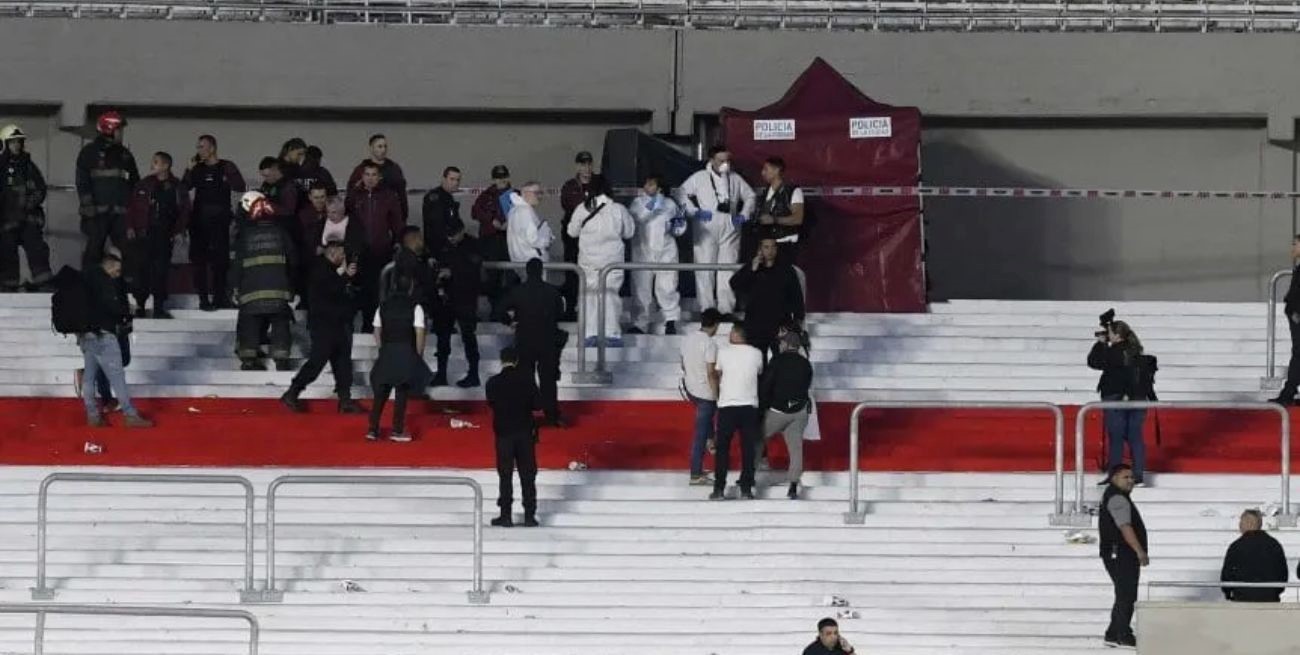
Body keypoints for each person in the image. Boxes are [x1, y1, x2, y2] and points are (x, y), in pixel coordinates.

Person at [281, 239, 362, 415]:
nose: (343, 258)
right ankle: (293, 391)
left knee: (343, 363)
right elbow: (331, 291)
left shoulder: (330, 272)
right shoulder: (320, 270)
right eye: (341, 254)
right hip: (325, 325)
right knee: (317, 361)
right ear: (332, 253)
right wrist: (346, 277)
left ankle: (345, 399)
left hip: (338, 324)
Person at [675, 144, 754, 319]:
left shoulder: (735, 178)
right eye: (721, 160)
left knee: (728, 269)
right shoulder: (700, 177)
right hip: (706, 225)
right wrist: (694, 211)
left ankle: (726, 309)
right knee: (704, 268)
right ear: (711, 160)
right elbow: (680, 193)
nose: (725, 164)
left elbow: (750, 196)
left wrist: (743, 214)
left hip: (730, 225)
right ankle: (707, 309)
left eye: (727, 160)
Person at [79, 253, 153, 429]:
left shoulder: (85, 280)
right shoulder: (104, 282)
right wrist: (128, 311)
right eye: (117, 270)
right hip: (104, 335)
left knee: (89, 377)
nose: (118, 274)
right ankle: (130, 414)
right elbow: (113, 307)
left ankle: (93, 416)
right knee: (117, 377)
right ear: (109, 266)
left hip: (86, 335)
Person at [230, 191, 296, 371]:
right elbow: (293, 261)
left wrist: (234, 287)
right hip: (279, 290)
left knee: (249, 323)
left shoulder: (245, 236)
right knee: (281, 323)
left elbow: (237, 265)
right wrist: (292, 286)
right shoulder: (282, 233)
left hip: (251, 291)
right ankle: (281, 359)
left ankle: (248, 359)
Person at [568, 178, 635, 348]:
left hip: (588, 262)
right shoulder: (618, 210)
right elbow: (629, 232)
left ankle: (589, 333)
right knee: (610, 296)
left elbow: (572, 232)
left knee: (589, 297)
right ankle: (611, 333)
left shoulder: (582, 209)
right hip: (612, 263)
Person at [182, 134, 245, 311]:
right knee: (199, 261)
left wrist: (228, 177)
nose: (199, 150)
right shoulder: (197, 168)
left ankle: (219, 297)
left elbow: (240, 186)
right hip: (199, 222)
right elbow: (183, 188)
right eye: (198, 147)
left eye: (202, 147)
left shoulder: (226, 166)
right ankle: (203, 299)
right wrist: (189, 169)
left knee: (220, 261)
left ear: (212, 148)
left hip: (220, 221)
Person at [367, 273, 432, 443]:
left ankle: (372, 429)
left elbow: (377, 330)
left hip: (388, 349)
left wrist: (382, 349)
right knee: (402, 390)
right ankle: (397, 429)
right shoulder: (415, 307)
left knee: (381, 391)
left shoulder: (383, 306)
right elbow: (419, 332)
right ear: (410, 287)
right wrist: (418, 355)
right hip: (406, 350)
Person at [501, 258, 565, 427]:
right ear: (541, 271)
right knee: (548, 380)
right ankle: (551, 416)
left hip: (525, 340)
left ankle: (525, 415)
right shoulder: (552, 292)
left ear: (527, 272)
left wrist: (510, 322)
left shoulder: (518, 291)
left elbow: (500, 309)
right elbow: (560, 312)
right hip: (547, 341)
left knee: (525, 378)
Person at [1088, 319, 1153, 486]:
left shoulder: (1115, 351)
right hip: (1137, 398)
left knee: (1116, 438)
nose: (1107, 336)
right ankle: (1137, 476)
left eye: (1109, 333)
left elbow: (1094, 362)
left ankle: (1115, 476)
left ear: (1116, 335)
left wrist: (1100, 344)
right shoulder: (1135, 350)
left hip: (1116, 398)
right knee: (1135, 437)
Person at [124, 151, 189, 319]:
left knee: (160, 272)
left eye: (156, 162)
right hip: (143, 235)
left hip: (163, 235)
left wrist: (179, 231)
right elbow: (131, 207)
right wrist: (130, 226)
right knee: (141, 271)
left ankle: (159, 306)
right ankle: (140, 305)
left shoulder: (177, 186)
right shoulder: (143, 184)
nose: (152, 165)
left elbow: (184, 211)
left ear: (166, 165)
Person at [486, 346, 541, 528]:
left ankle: (506, 515)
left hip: (504, 433)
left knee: (505, 475)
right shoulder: (527, 381)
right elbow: (537, 405)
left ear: (502, 361)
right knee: (527, 475)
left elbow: (492, 403)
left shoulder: (493, 383)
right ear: (517, 360)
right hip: (525, 432)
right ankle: (529, 515)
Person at [76, 111, 140, 268]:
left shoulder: (125, 154)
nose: (122, 133)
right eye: (119, 130)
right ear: (110, 129)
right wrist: (88, 205)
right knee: (94, 250)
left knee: (128, 251)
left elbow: (135, 183)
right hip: (97, 213)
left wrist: (134, 209)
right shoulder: (89, 153)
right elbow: (82, 181)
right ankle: (89, 284)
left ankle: (126, 288)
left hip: (121, 215)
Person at [347, 162, 405, 331]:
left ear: (379, 177)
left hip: (382, 250)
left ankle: (378, 325)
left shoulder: (389, 196)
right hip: (360, 251)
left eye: (374, 175)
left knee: (379, 290)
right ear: (362, 177)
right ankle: (365, 325)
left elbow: (397, 223)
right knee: (362, 291)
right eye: (367, 175)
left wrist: (397, 243)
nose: (370, 178)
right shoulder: (354, 196)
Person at [710, 324, 763, 501]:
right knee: (748, 449)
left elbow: (716, 373)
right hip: (749, 405)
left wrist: (717, 395)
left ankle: (719, 488)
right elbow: (759, 371)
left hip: (727, 405)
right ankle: (746, 489)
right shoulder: (756, 353)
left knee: (722, 449)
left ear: (735, 334)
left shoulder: (724, 352)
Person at [730, 237, 805, 362]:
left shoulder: (786, 270)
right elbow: (735, 284)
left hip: (780, 324)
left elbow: (796, 295)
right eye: (766, 247)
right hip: (756, 324)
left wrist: (798, 319)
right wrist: (752, 270)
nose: (770, 250)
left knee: (781, 361)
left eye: (773, 247)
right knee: (758, 361)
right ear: (760, 249)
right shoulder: (753, 267)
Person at [628, 173, 685, 335]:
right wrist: (652, 206)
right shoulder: (637, 203)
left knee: (667, 287)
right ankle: (640, 324)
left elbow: (678, 230)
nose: (648, 187)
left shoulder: (670, 204)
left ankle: (671, 321)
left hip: (666, 252)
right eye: (646, 184)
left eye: (652, 184)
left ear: (659, 187)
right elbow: (637, 219)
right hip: (642, 252)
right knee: (641, 290)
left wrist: (679, 223)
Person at [759, 331, 814, 500]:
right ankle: (793, 485)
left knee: (755, 438)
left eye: (782, 342)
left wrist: (762, 407)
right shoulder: (806, 364)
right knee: (796, 449)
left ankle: (750, 477)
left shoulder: (777, 361)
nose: (780, 345)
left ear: (787, 344)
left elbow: (766, 386)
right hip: (799, 411)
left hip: (777, 411)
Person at [1099, 463, 1147, 650]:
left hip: (1116, 552)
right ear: (1113, 478)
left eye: (1132, 477)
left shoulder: (1116, 496)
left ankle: (1113, 633)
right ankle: (1122, 634)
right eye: (1125, 477)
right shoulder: (1118, 499)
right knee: (1126, 593)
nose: (1130, 481)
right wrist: (1139, 550)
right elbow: (1125, 527)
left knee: (1124, 593)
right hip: (1121, 553)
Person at [0, 124, 52, 291]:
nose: (17, 145)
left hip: (29, 220)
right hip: (7, 222)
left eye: (19, 142)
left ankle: (45, 286)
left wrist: (30, 202)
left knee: (38, 251)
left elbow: (40, 188)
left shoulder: (29, 166)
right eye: (12, 142)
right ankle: (8, 289)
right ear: (4, 144)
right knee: (8, 256)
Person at [434, 219, 483, 388]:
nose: (451, 239)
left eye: (453, 235)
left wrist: (453, 271)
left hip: (466, 298)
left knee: (468, 337)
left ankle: (474, 373)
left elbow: (474, 270)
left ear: (461, 231)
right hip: (447, 298)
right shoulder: (445, 245)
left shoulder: (473, 245)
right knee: (443, 337)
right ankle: (441, 374)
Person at [681, 308, 722, 486]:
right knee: (700, 432)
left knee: (704, 426)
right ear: (716, 325)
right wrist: (717, 394)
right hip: (705, 392)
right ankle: (695, 474)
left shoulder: (687, 339)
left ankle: (710, 441)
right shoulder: (710, 344)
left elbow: (682, 363)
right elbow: (711, 373)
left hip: (690, 388)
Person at [559, 152, 600, 320]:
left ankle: (592, 311)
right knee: (572, 272)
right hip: (573, 237)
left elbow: (606, 204)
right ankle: (570, 309)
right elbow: (570, 206)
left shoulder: (599, 184)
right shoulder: (570, 186)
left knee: (593, 273)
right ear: (577, 166)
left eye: (589, 164)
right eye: (583, 165)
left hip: (595, 236)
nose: (587, 168)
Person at [1220, 509, 1288, 602]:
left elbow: (1226, 576)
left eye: (1241, 521)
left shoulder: (1236, 546)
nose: (1239, 525)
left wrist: (1228, 594)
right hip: (1270, 600)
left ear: (1249, 522)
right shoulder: (1274, 545)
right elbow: (1283, 575)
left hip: (1242, 600)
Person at [749, 156, 805, 264]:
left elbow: (798, 218)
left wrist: (775, 220)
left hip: (785, 244)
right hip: (767, 244)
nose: (762, 173)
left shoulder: (793, 191)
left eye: (766, 169)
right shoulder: (765, 193)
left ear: (776, 170)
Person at [473, 165, 513, 308]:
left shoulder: (516, 195)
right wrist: (491, 220)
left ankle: (509, 309)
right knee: (493, 277)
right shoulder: (485, 196)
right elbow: (475, 212)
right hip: (491, 241)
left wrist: (511, 222)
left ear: (508, 177)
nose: (501, 180)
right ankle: (495, 309)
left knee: (511, 275)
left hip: (511, 240)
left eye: (503, 177)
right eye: (498, 177)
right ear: (493, 179)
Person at [347, 134, 408, 220]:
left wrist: (403, 215)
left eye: (385, 146)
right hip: (367, 216)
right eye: (380, 146)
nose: (383, 150)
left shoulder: (394, 168)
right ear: (372, 148)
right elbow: (351, 194)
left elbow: (402, 194)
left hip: (392, 215)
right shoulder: (361, 169)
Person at [1271, 235, 1300, 405]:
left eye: (1295, 244)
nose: (1293, 248)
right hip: (1295, 316)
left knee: (1298, 354)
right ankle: (1289, 391)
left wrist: (1295, 311)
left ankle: (1288, 392)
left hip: (1298, 317)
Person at [257, 157, 300, 246]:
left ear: (275, 170)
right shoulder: (266, 185)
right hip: (271, 229)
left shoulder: (288, 187)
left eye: (267, 176)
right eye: (263, 176)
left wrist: (267, 205)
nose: (265, 179)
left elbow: (289, 211)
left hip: (287, 231)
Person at [507, 181, 554, 265]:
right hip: (532, 261)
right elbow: (533, 239)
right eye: (536, 193)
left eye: (541, 193)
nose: (540, 196)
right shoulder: (525, 211)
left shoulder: (514, 209)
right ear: (525, 193)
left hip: (521, 260)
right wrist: (547, 240)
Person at [422, 166, 462, 259]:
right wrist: (452, 237)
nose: (455, 183)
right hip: (439, 248)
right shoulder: (435, 197)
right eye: (452, 179)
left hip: (450, 244)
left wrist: (460, 231)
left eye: (458, 180)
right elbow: (437, 224)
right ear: (444, 179)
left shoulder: (449, 198)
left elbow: (454, 220)